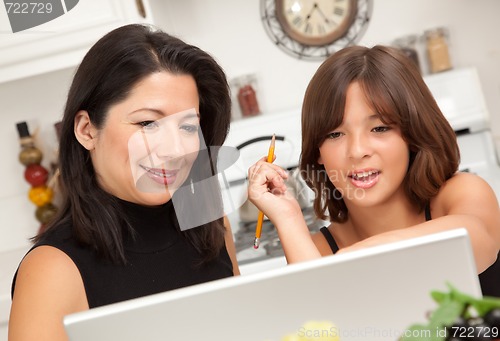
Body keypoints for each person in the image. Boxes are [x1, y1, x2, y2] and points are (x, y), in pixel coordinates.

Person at [9, 24, 239, 340]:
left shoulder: (211, 228)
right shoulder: (53, 269)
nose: (173, 150)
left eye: (188, 128)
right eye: (147, 123)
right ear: (86, 130)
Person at [248, 45, 500, 277]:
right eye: (335, 134)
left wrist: (341, 265)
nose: (357, 151)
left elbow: (470, 244)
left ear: (412, 134)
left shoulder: (463, 194)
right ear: (318, 153)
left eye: (379, 128)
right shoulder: (318, 251)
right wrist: (288, 218)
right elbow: (325, 317)